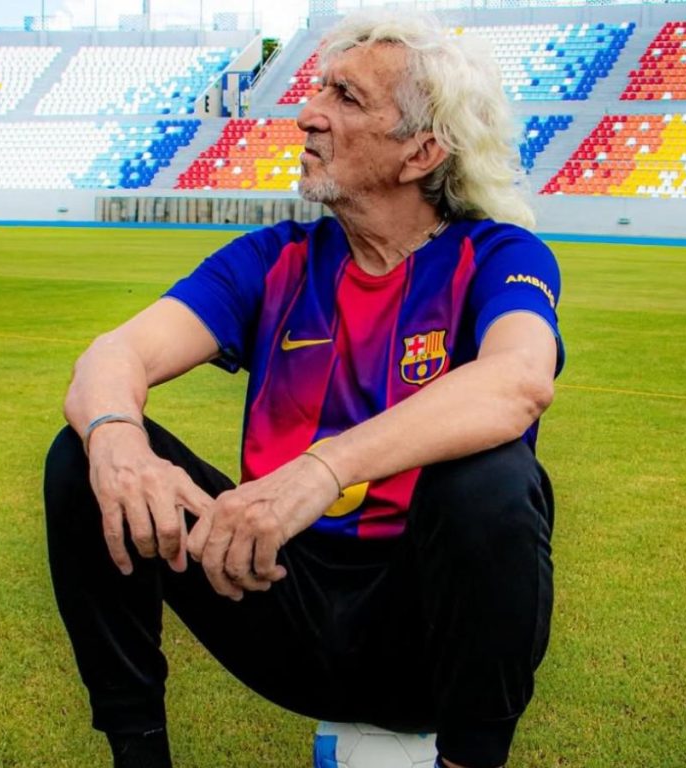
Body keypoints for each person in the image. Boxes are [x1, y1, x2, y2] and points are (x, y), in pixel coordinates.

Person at [44, 10, 562, 768]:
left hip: (422, 635)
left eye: (345, 98)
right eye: (317, 87)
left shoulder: (496, 256)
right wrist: (117, 437)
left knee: (492, 477)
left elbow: (516, 381)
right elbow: (114, 355)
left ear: (420, 149)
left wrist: (322, 468)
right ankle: (139, 754)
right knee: (86, 456)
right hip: (272, 586)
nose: (306, 113)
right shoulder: (275, 260)